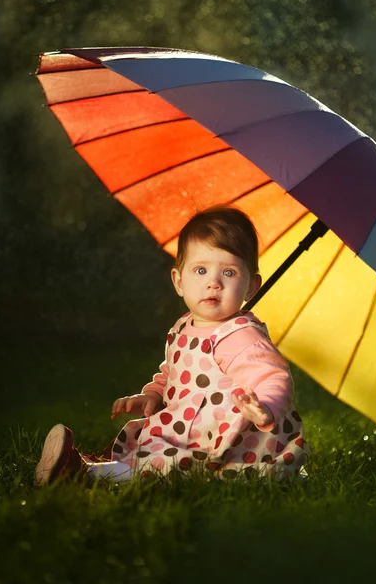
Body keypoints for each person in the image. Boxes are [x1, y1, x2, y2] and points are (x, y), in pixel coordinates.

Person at [35, 206, 310, 485]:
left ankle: (82, 474)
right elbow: (171, 373)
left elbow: (273, 376)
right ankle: (96, 468)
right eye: (201, 270)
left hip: (226, 443)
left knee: (167, 464)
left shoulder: (240, 336)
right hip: (187, 427)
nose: (213, 283)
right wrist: (153, 395)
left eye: (229, 273)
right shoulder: (183, 325)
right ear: (179, 281)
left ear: (251, 287)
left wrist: (265, 408)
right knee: (150, 449)